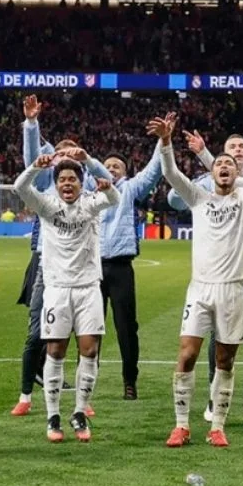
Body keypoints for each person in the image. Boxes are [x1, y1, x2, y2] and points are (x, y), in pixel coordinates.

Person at [152, 113, 243, 448]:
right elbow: (170, 173)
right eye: (218, 164)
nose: (223, 167)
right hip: (201, 289)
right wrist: (166, 142)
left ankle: (217, 426)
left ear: (238, 173)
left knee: (225, 359)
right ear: (211, 172)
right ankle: (181, 425)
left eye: (229, 165)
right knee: (188, 354)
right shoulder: (199, 198)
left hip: (233, 289)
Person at [14, 154, 119, 443]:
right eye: (62, 179)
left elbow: (115, 198)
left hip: (87, 289)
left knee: (89, 350)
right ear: (56, 184)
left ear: (80, 182)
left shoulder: (90, 203)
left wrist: (101, 178)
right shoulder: (47, 206)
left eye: (72, 178)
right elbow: (21, 188)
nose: (67, 183)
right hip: (57, 289)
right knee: (56, 351)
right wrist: (37, 166)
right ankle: (53, 415)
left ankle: (80, 412)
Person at [12, 95, 97, 416]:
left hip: (81, 270)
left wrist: (86, 159)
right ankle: (25, 396)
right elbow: (31, 159)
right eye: (59, 155)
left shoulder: (83, 187)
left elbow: (108, 180)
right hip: (44, 264)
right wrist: (31, 124)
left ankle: (82, 401)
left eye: (70, 156)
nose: (64, 161)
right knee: (37, 332)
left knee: (83, 334)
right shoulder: (48, 184)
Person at [177, 129, 243, 420]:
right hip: (217, 275)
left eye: (242, 146)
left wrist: (207, 157)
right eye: (231, 148)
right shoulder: (209, 186)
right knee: (216, 338)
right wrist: (207, 157)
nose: (238, 150)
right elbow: (214, 178)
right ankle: (214, 398)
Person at [98, 142, 164, 400]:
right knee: (90, 328)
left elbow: (153, 171)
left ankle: (129, 380)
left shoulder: (129, 189)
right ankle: (87, 381)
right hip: (92, 269)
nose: (112, 169)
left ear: (124, 173)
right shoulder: (88, 193)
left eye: (117, 166)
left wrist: (161, 141)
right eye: (108, 165)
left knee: (126, 327)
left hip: (121, 267)